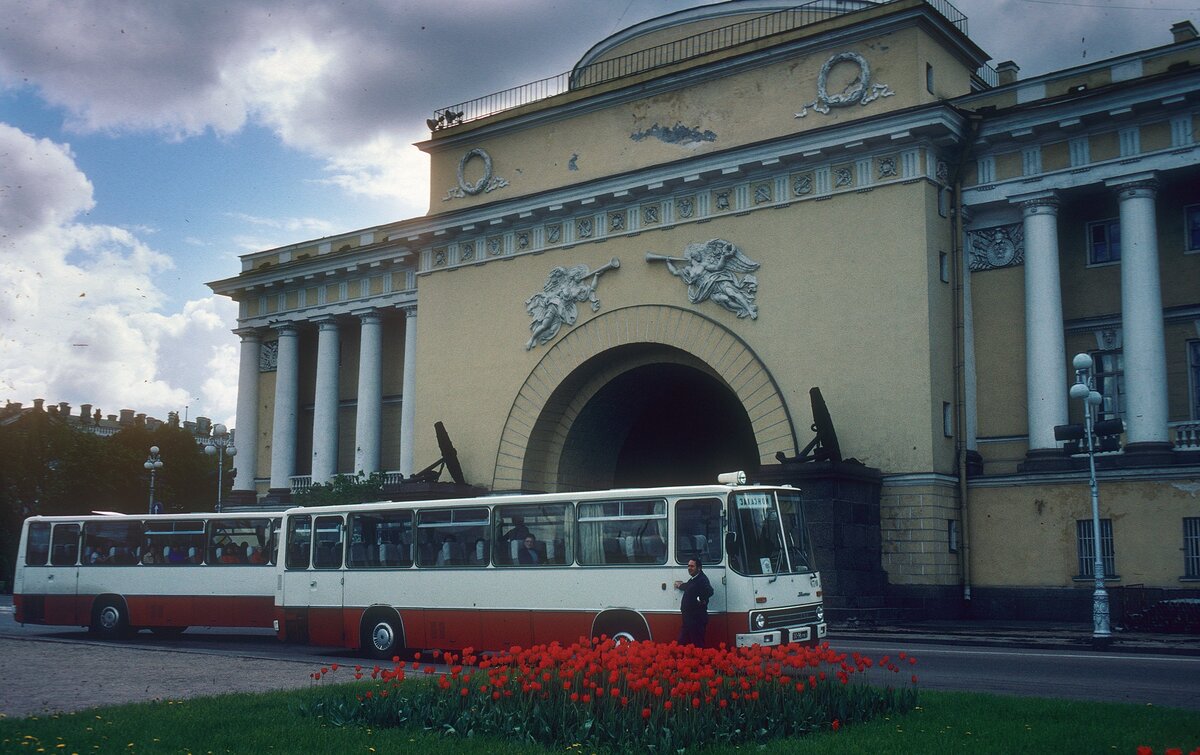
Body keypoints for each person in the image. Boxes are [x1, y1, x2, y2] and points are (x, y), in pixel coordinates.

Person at [673, 558, 713, 647]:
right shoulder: (694, 579)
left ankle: (699, 660)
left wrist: (699, 599)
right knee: (682, 643)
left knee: (697, 644)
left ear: (699, 568)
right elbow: (688, 586)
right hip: (688, 619)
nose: (689, 568)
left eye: (692, 566)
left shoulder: (702, 579)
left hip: (696, 619)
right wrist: (680, 585)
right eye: (688, 566)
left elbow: (709, 591)